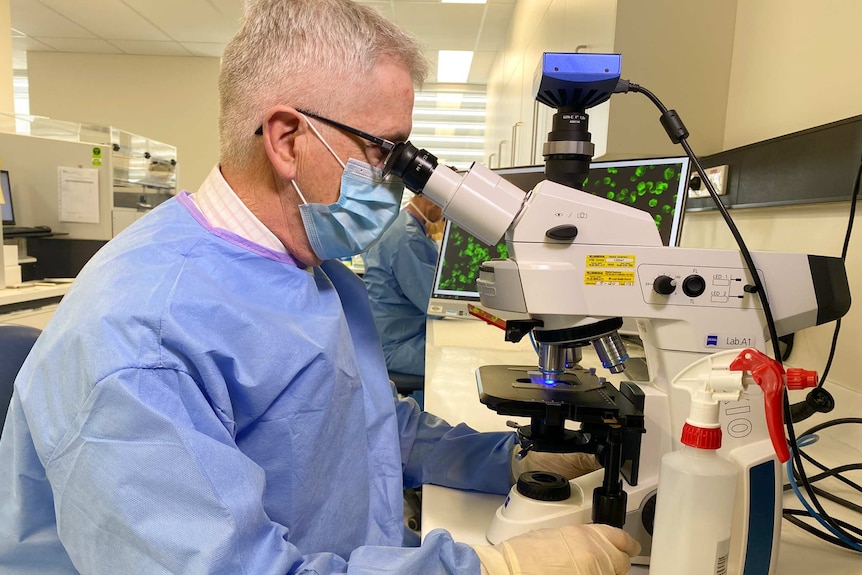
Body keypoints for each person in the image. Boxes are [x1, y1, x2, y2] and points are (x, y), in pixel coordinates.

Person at [0, 1, 640, 573]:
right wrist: (493, 570)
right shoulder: (139, 339)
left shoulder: (312, 266)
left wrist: (506, 460)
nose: (399, 179)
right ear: (286, 139)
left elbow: (372, 428)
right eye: (384, 150)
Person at [363, 194, 443, 377]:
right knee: (458, 361)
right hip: (397, 344)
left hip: (397, 334)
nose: (444, 214)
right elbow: (434, 306)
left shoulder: (401, 225)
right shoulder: (407, 236)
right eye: (444, 206)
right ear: (430, 198)